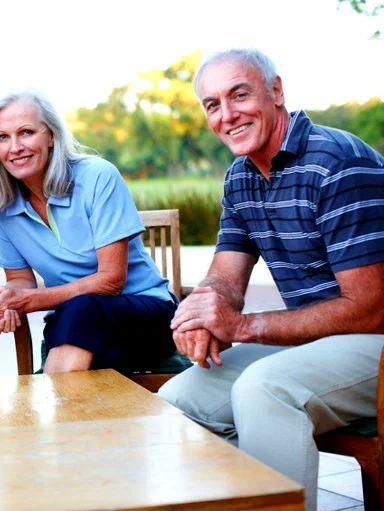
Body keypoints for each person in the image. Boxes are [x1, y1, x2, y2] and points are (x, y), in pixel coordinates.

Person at [158, 48, 384, 511]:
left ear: (276, 91)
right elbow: (226, 273)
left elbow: (370, 308)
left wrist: (242, 327)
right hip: (315, 340)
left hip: (374, 339)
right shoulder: (241, 177)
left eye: (239, 95)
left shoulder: (336, 162)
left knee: (264, 389)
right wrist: (201, 312)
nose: (227, 115)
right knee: (176, 399)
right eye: (213, 104)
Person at [0, 91, 177, 374]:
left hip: (145, 316)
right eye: (3, 137)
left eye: (27, 132)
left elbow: (112, 281)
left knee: (80, 312)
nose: (15, 147)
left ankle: (48, 406)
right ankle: (66, 408)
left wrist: (31, 301)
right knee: (75, 319)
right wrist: (7, 300)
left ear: (51, 136)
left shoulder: (97, 176)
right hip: (75, 324)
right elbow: (21, 281)